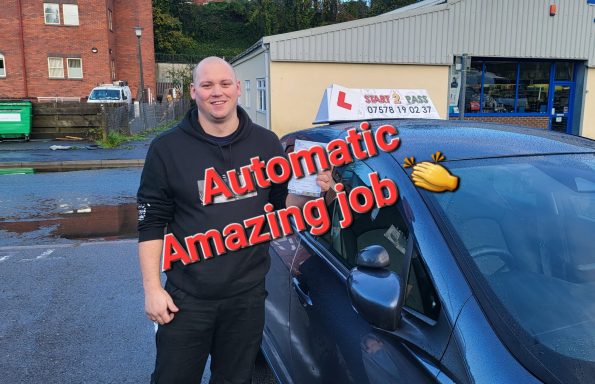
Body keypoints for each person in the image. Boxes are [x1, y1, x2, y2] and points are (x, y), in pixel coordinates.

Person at [137, 56, 331, 384]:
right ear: (193, 91)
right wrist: (152, 289)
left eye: (225, 84)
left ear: (238, 89)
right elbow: (151, 222)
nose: (217, 92)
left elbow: (282, 206)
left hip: (247, 299)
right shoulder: (166, 149)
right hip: (186, 299)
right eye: (207, 85)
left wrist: (320, 194)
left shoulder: (266, 143)